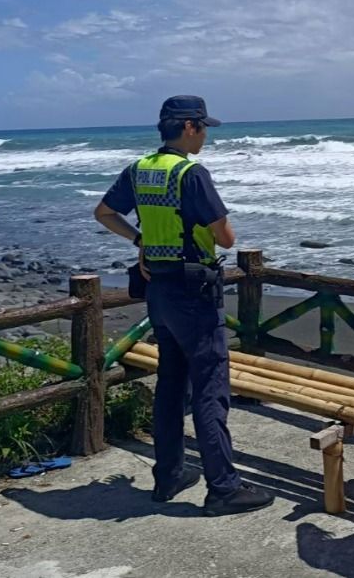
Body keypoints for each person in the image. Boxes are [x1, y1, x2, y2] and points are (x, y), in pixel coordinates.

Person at [94, 94, 274, 516]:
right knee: (210, 388)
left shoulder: (140, 169)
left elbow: (104, 213)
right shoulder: (191, 173)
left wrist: (142, 240)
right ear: (190, 127)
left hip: (159, 288)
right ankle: (224, 488)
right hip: (195, 291)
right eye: (204, 127)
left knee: (172, 384)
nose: (207, 135)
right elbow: (226, 237)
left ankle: (169, 474)